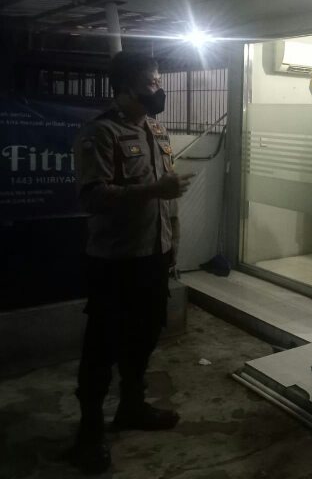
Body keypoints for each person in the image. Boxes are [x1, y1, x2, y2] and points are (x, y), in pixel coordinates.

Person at [70, 52, 195, 474]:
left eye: (158, 80)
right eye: (151, 82)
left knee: (145, 334)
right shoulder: (100, 133)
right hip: (115, 260)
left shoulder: (157, 130)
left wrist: (173, 239)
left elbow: (168, 195)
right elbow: (92, 197)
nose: (159, 89)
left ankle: (132, 405)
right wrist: (155, 190)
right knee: (102, 345)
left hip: (154, 256)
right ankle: (89, 432)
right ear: (125, 88)